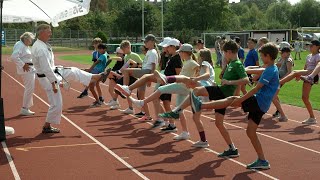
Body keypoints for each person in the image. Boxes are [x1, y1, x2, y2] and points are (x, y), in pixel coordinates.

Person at [157, 40, 249, 150]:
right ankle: (232, 148)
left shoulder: (237, 64)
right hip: (223, 94)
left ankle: (177, 111)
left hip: (222, 92)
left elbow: (246, 80)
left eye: (224, 52)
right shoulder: (231, 64)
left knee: (196, 91)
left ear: (229, 52)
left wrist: (230, 83)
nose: (223, 55)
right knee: (218, 123)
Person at [31, 24, 107, 133]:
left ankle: (94, 77)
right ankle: (47, 126)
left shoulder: (43, 45)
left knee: (73, 70)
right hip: (49, 78)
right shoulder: (40, 48)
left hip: (53, 73)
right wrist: (54, 83)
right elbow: (46, 68)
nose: (51, 33)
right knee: (57, 104)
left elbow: (48, 66)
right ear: (41, 33)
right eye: (49, 31)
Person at [117, 43, 199, 135]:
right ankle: (185, 132)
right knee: (179, 109)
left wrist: (195, 81)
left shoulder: (192, 62)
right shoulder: (186, 62)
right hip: (181, 85)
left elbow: (199, 71)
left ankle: (143, 102)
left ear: (185, 53)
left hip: (182, 86)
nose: (179, 54)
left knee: (160, 90)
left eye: (181, 52)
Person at [231, 43, 280, 169]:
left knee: (232, 99)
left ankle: (202, 105)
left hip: (259, 102)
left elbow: (256, 89)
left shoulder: (270, 70)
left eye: (262, 56)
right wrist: (247, 71)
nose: (261, 58)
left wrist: (241, 99)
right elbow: (258, 69)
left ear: (268, 56)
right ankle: (262, 160)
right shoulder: (270, 67)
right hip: (262, 104)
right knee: (250, 131)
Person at [116, 34, 159, 120]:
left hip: (146, 72)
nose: (145, 43)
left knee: (126, 70)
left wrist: (150, 78)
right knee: (141, 97)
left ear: (151, 42)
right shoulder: (150, 51)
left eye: (146, 41)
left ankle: (126, 88)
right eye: (144, 41)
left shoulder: (153, 52)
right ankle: (147, 115)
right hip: (144, 73)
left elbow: (153, 66)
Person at [280, 40, 320, 125]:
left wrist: (300, 73)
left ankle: (278, 83)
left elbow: (317, 67)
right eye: (309, 45)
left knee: (294, 72)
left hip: (313, 76)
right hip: (306, 75)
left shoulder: (318, 56)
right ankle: (312, 118)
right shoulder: (308, 56)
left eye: (311, 45)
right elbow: (305, 67)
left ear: (317, 47)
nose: (309, 47)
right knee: (304, 97)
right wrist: (300, 74)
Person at [106, 40, 143, 113]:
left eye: (123, 49)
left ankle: (120, 102)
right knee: (118, 87)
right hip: (127, 76)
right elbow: (125, 67)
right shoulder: (126, 56)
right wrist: (120, 74)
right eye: (122, 49)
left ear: (128, 47)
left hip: (134, 76)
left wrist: (135, 65)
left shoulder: (134, 55)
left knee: (125, 90)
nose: (122, 51)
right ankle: (129, 107)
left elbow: (141, 65)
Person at [11, 32, 36, 116]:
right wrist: (23, 65)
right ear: (26, 39)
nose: (31, 41)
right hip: (26, 69)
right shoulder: (20, 44)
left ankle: (26, 107)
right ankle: (24, 108)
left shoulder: (24, 45)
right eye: (30, 40)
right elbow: (14, 57)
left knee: (30, 88)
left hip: (30, 68)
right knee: (29, 88)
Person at [271, 47, 293, 121]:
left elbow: (289, 72)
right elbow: (278, 64)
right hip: (278, 78)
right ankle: (279, 111)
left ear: (287, 53)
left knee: (273, 96)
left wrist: (282, 79)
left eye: (282, 52)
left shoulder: (288, 60)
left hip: (281, 79)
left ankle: (281, 113)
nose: (280, 54)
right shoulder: (283, 59)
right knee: (274, 95)